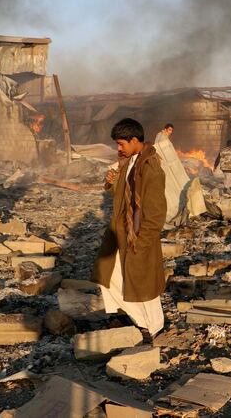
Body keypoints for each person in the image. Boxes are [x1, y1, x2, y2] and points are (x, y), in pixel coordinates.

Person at [93, 118, 167, 339]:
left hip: (138, 236)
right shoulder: (130, 161)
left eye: (121, 143)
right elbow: (121, 195)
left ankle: (154, 328)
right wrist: (111, 181)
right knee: (108, 276)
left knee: (145, 285)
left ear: (134, 140)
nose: (119, 148)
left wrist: (142, 243)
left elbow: (156, 214)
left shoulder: (151, 168)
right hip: (120, 232)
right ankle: (141, 321)